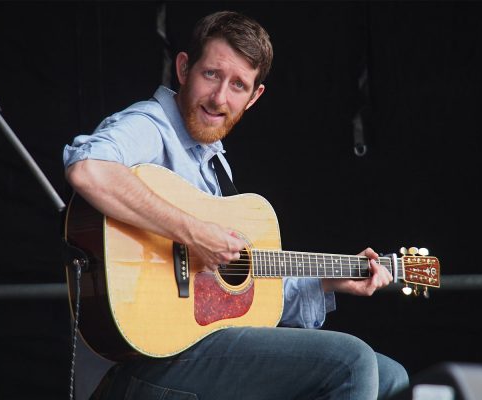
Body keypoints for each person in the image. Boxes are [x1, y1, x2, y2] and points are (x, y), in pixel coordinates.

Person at [63, 10, 408, 400]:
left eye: (238, 85)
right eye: (211, 74)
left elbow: (237, 296)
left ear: (254, 97)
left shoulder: (214, 164)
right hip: (144, 363)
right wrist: (192, 232)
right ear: (182, 68)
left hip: (201, 350)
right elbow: (89, 169)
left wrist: (329, 281)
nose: (219, 98)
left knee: (390, 377)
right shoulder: (151, 125)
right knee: (351, 361)